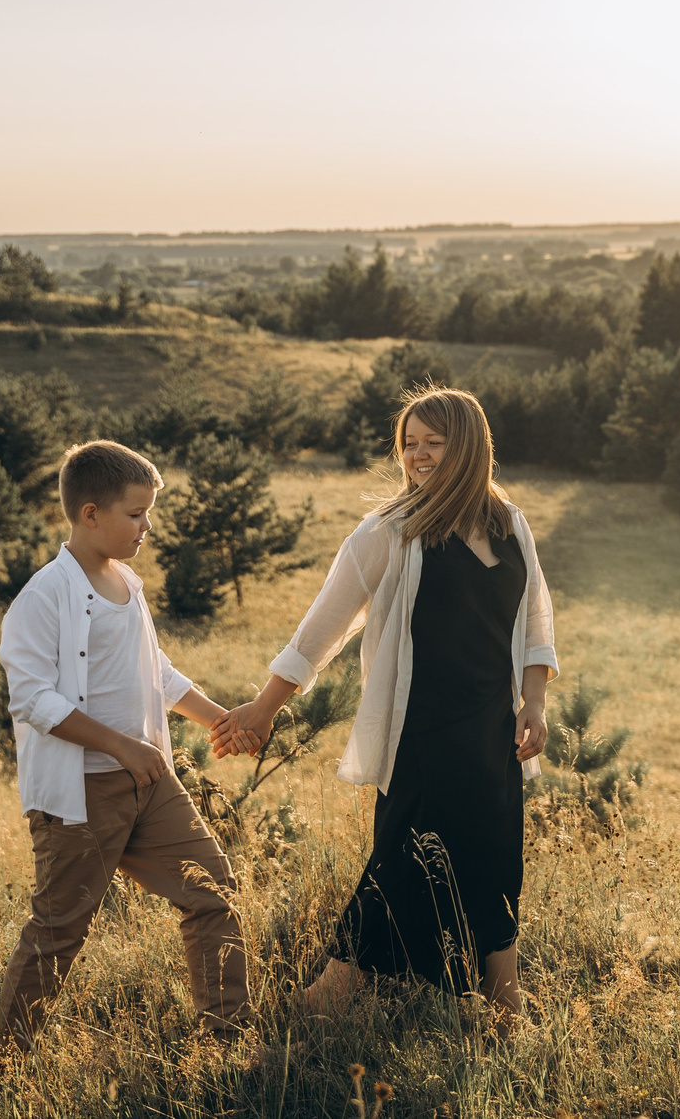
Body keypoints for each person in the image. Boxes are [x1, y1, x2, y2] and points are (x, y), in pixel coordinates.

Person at [213, 387, 556, 1024]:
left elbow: (536, 617)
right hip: (420, 730)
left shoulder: (510, 524)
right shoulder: (390, 532)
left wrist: (533, 702)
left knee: (497, 853)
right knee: (403, 859)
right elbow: (322, 628)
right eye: (410, 444)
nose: (418, 456)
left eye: (435, 442)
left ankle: (503, 1000)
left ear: (470, 446)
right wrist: (264, 708)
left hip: (493, 728)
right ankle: (331, 996)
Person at [0, 440, 251, 1075]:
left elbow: (150, 670)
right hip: (84, 791)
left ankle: (228, 1044)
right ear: (90, 513)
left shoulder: (126, 582)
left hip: (149, 781)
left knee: (213, 895)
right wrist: (120, 745)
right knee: (58, 933)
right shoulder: (43, 595)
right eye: (136, 515)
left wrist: (218, 717)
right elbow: (31, 698)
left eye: (149, 513)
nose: (146, 527)